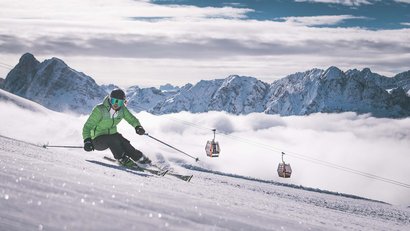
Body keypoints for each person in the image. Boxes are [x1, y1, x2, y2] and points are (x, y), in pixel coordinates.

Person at [82, 88, 151, 167]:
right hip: (96, 140)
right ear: (110, 99)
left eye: (120, 102)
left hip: (112, 135)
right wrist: (87, 141)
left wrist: (138, 127)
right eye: (114, 101)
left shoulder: (122, 110)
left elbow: (131, 119)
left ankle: (139, 158)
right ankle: (122, 159)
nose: (116, 104)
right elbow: (87, 126)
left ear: (123, 102)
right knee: (113, 139)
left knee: (124, 142)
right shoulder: (99, 110)